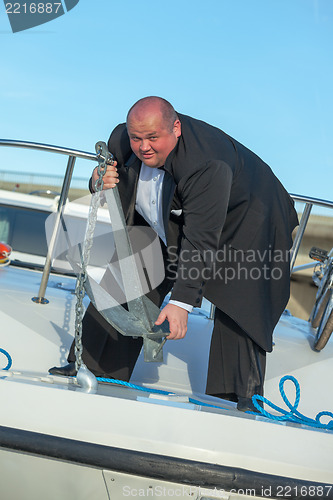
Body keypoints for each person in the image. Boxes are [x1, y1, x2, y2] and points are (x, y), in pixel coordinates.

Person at [49, 96, 298, 412]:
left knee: (240, 295)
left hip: (254, 217)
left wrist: (181, 304)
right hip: (184, 209)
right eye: (137, 137)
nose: (143, 147)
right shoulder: (120, 140)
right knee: (136, 265)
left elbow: (201, 240)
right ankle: (93, 367)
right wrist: (98, 180)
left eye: (153, 138)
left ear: (176, 128)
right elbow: (118, 181)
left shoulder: (207, 163)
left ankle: (240, 401)